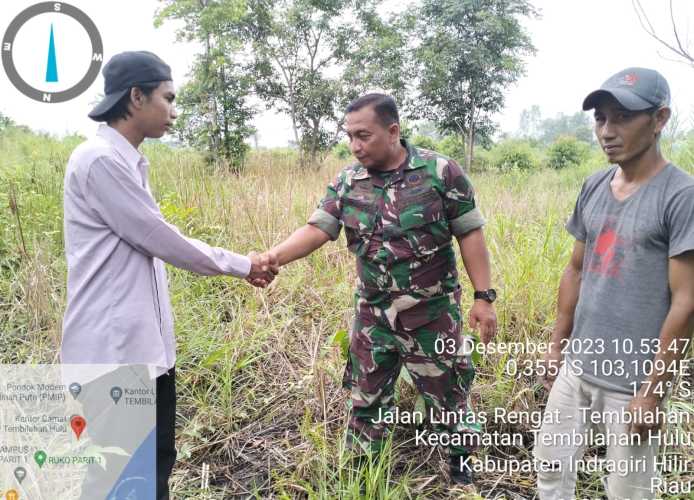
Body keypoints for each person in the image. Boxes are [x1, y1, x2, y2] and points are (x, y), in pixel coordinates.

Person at [61, 51, 277, 499]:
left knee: (154, 464)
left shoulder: (127, 161)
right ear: (136, 97)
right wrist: (245, 264)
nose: (174, 111)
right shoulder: (100, 160)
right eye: (168, 98)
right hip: (113, 354)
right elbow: (161, 238)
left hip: (145, 350)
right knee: (118, 476)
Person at [252, 93, 497, 485]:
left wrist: (483, 298)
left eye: (363, 135)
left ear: (393, 131)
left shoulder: (440, 172)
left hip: (432, 315)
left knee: (448, 394)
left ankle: (460, 461)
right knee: (366, 398)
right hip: (374, 318)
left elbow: (470, 233)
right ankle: (366, 470)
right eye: (350, 136)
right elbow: (318, 229)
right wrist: (273, 256)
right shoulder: (348, 181)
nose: (354, 146)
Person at [534, 68, 694, 500]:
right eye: (601, 118)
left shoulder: (681, 196)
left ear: (659, 119)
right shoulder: (594, 186)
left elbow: (686, 303)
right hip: (578, 368)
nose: (607, 131)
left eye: (622, 117)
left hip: (632, 383)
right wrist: (556, 346)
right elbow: (576, 270)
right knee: (550, 469)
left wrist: (652, 392)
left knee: (628, 491)